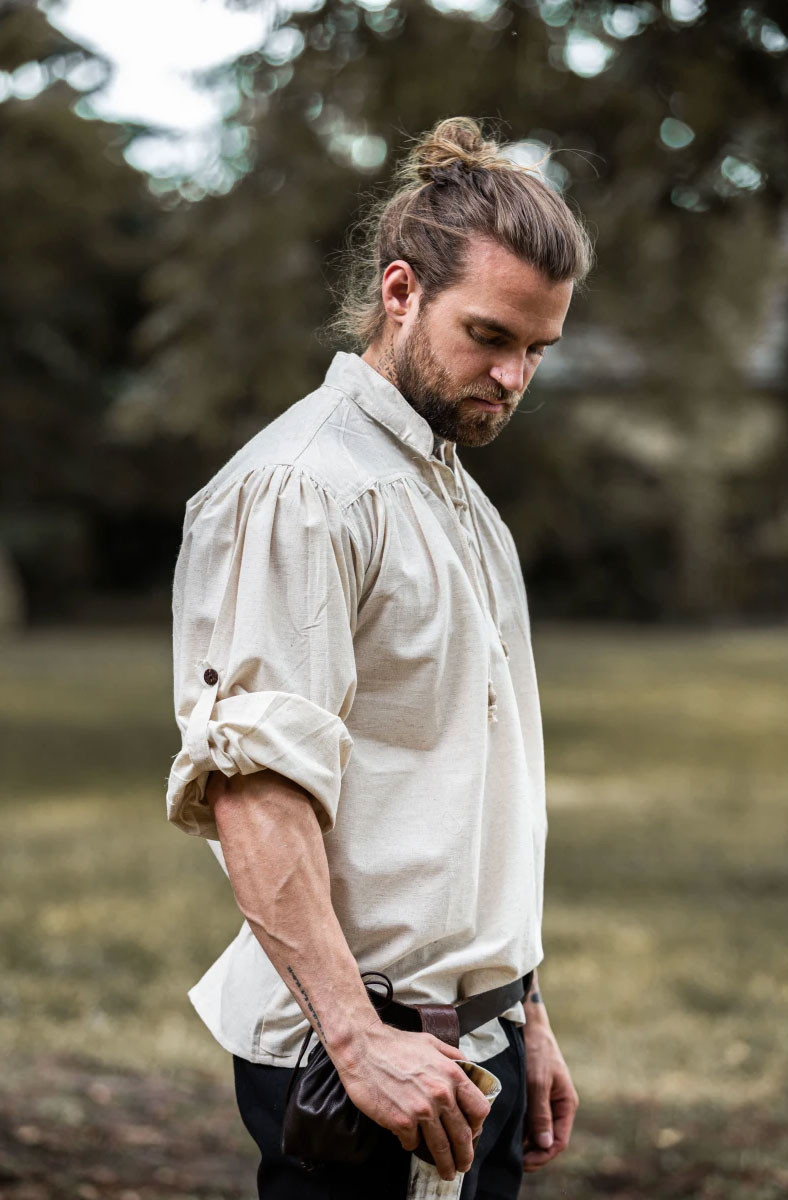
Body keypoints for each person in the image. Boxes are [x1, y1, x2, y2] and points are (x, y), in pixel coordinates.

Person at [166, 115, 593, 1200]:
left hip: (470, 1049)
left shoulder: (457, 499)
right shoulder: (301, 491)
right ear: (400, 293)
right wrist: (360, 1044)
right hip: (364, 1062)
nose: (511, 376)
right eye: (489, 335)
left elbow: (472, 792)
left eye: (537, 350)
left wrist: (523, 1012)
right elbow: (254, 789)